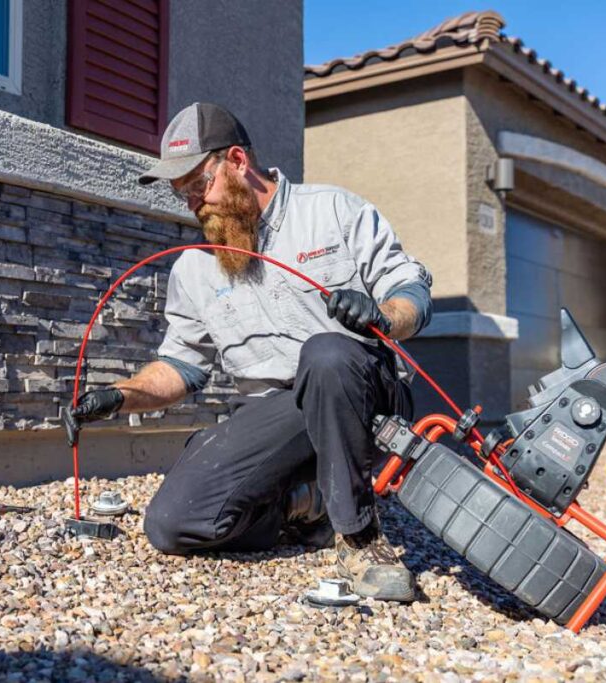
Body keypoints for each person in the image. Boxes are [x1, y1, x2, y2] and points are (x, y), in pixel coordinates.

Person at [64, 102, 432, 602]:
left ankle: (361, 539)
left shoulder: (332, 211)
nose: (193, 202)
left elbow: (412, 290)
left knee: (326, 354)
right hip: (279, 415)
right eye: (183, 194)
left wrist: (382, 316)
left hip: (362, 393)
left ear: (237, 161)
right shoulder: (194, 271)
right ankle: (307, 502)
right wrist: (118, 396)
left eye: (199, 185)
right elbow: (180, 367)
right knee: (174, 524)